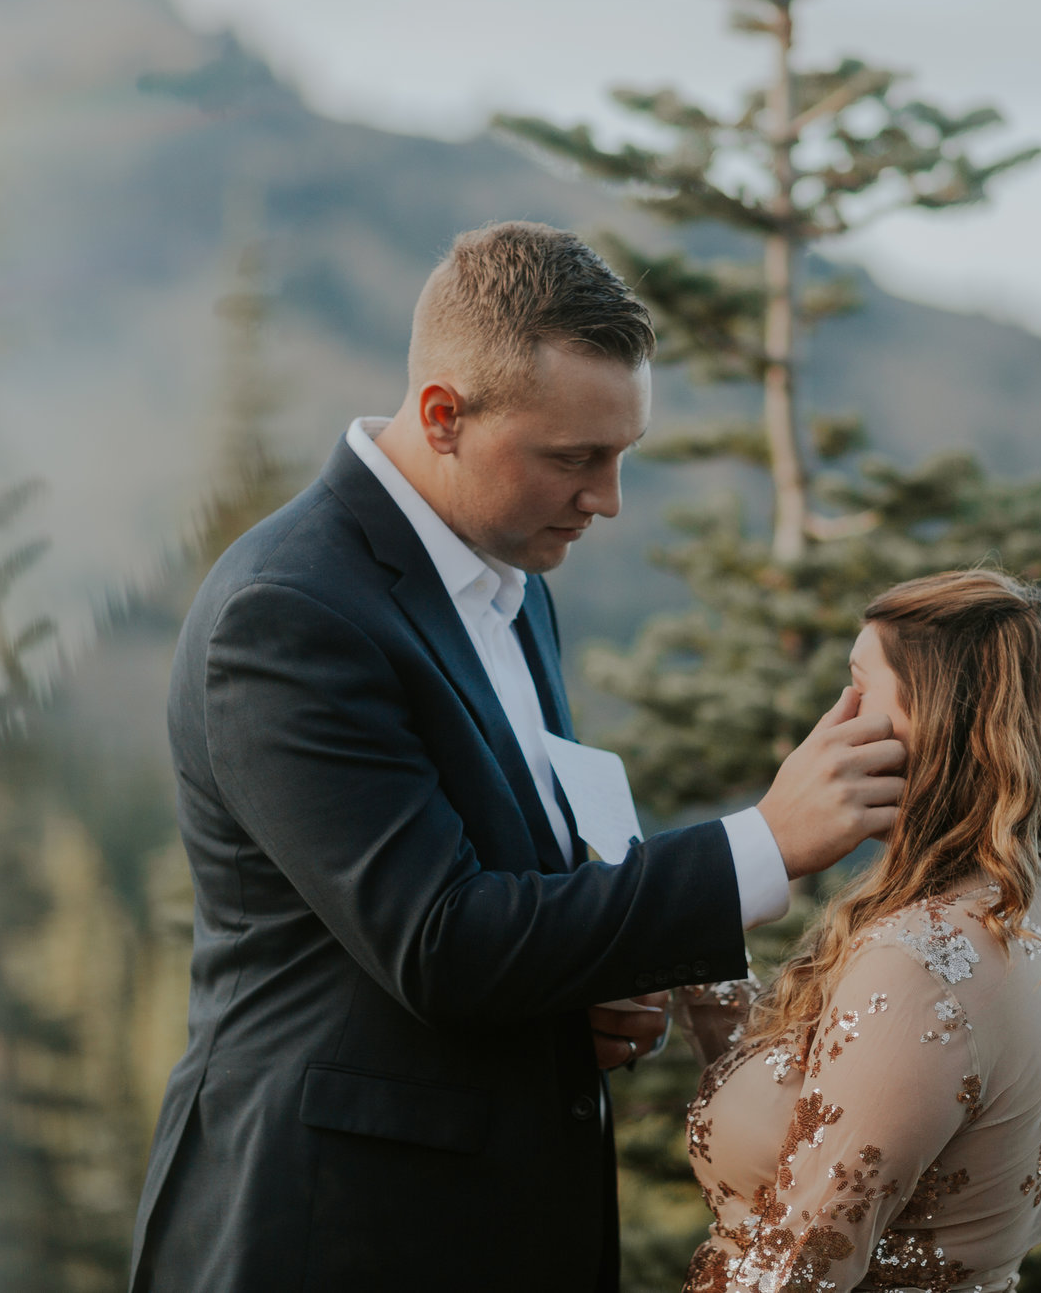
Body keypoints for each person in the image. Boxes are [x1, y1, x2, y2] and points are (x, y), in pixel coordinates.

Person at [128, 222, 906, 1292]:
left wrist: (588, 993)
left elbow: (505, 889)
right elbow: (442, 939)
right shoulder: (288, 613)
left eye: (621, 453)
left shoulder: (515, 586)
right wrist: (759, 845)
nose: (607, 498)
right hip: (332, 1234)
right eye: (574, 457)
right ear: (444, 414)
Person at [674, 569, 1041, 1293]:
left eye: (860, 685)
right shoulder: (1021, 901)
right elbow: (834, 1088)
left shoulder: (919, 969)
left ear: (928, 719)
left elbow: (797, 1271)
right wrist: (678, 935)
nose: (838, 715)